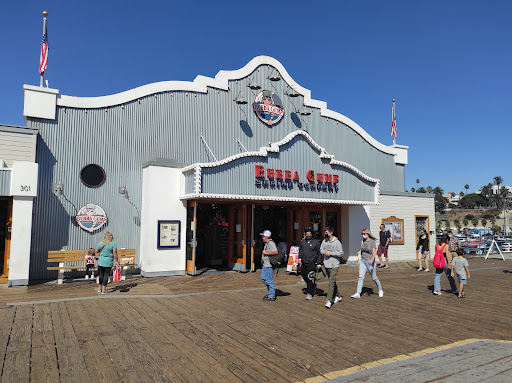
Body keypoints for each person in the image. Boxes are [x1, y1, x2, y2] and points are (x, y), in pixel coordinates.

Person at [351, 229, 383, 299]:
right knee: (360, 277)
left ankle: (380, 289)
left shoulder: (372, 242)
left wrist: (372, 259)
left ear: (368, 234)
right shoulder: (362, 241)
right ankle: (358, 293)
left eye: (364, 233)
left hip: (369, 261)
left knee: (374, 277)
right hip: (363, 260)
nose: (363, 235)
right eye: (362, 233)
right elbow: (360, 252)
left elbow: (374, 252)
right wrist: (358, 260)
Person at [320, 227, 343, 309]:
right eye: (325, 232)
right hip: (326, 264)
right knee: (332, 281)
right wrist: (324, 252)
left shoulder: (337, 242)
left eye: (327, 232)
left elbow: (341, 253)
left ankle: (329, 300)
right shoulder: (324, 241)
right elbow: (321, 250)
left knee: (331, 283)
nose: (326, 233)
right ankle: (338, 295)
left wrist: (331, 253)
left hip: (334, 265)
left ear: (331, 232)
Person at [298, 228, 322, 300]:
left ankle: (310, 292)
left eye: (309, 234)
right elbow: (301, 250)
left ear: (312, 234)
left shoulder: (316, 242)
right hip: (304, 261)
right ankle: (312, 285)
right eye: (306, 234)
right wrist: (299, 258)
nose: (308, 235)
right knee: (303, 275)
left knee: (309, 277)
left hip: (312, 262)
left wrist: (318, 263)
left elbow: (319, 253)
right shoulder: (303, 242)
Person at [260, 230, 278, 301]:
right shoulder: (267, 243)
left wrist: (266, 252)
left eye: (263, 236)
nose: (262, 238)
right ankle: (270, 292)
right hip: (265, 264)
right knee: (263, 278)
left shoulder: (271, 243)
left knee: (269, 280)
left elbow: (275, 251)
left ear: (267, 236)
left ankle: (271, 295)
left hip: (269, 265)